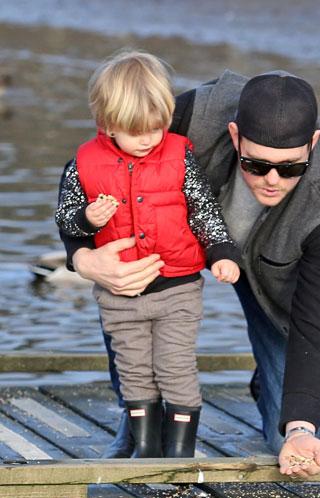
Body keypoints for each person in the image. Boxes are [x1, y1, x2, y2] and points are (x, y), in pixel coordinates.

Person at [60, 68, 320, 475]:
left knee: (289, 442)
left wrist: (300, 427)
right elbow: (91, 169)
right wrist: (84, 259)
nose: (272, 180)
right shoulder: (190, 118)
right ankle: (136, 419)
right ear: (235, 135)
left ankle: (271, 390)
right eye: (255, 164)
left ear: (313, 143)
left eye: (290, 168)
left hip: (279, 292)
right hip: (166, 259)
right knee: (123, 290)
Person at [56, 51, 241, 458]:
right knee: (134, 372)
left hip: (178, 289)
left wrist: (221, 253)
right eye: (135, 131)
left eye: (156, 128)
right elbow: (65, 220)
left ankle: (178, 454)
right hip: (119, 295)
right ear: (106, 124)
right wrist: (87, 219)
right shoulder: (83, 165)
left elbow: (203, 209)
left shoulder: (179, 156)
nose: (148, 139)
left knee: (175, 369)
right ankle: (143, 447)